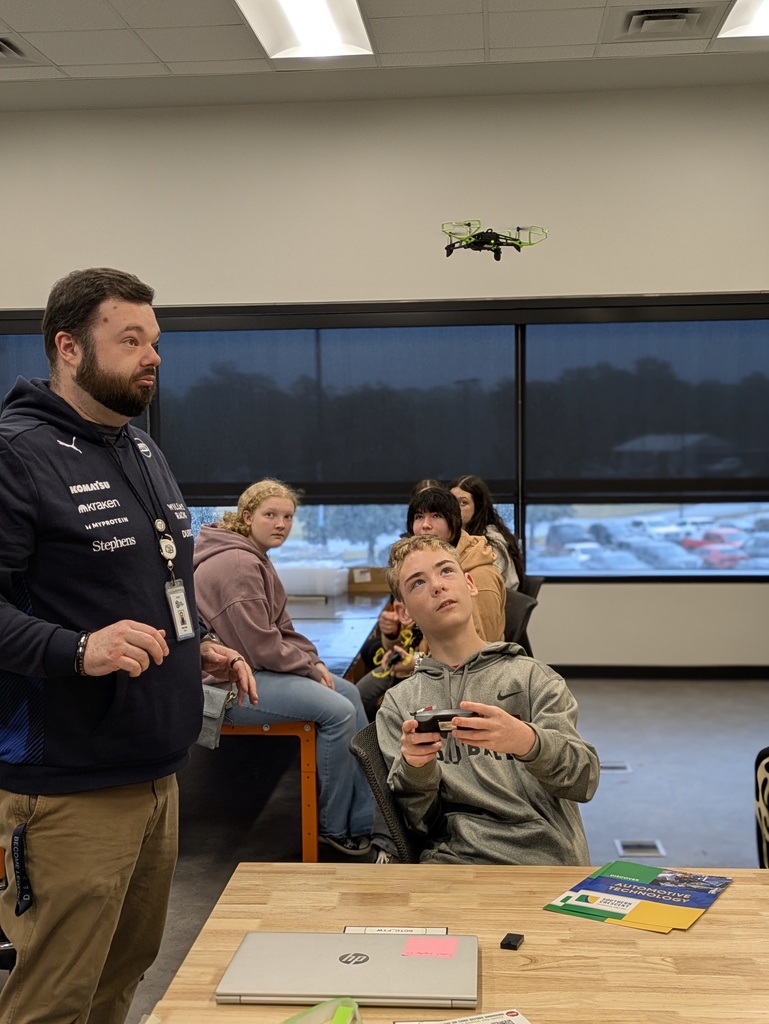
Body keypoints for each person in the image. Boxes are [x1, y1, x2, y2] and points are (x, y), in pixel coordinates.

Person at [0, 267, 255, 1024]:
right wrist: (78, 649)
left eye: (155, 341)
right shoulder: (16, 454)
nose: (153, 358)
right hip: (66, 786)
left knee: (120, 983)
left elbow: (155, 582)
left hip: (155, 774)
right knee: (54, 1001)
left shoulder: (140, 449)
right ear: (69, 347)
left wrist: (198, 644)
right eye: (131, 340)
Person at [376, 535, 599, 865]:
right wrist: (416, 769)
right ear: (404, 612)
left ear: (470, 584)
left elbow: (583, 781)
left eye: (446, 571)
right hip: (455, 863)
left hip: (544, 860)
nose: (437, 586)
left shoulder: (531, 678)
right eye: (418, 582)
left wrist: (527, 741)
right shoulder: (400, 704)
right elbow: (418, 823)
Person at [193, 479, 373, 856]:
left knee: (350, 692)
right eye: (270, 515)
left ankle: (364, 821)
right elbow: (260, 648)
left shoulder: (253, 555)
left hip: (253, 670)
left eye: (288, 516)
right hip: (225, 685)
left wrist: (314, 660)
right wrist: (307, 666)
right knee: (339, 711)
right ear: (247, 517)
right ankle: (334, 831)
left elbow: (282, 629)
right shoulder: (239, 563)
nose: (281, 524)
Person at [355, 486, 505, 722]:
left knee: (357, 705)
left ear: (454, 522)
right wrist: (392, 634)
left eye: (436, 516)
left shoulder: (480, 578)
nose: (425, 525)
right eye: (419, 517)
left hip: (455, 685)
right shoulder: (414, 571)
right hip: (419, 667)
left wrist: (415, 664)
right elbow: (409, 637)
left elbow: (479, 661)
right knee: (355, 697)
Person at [450, 474, 524, 592]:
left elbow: (485, 585)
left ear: (478, 507)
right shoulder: (457, 536)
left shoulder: (491, 541)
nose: (455, 508)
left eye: (463, 503)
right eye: (452, 502)